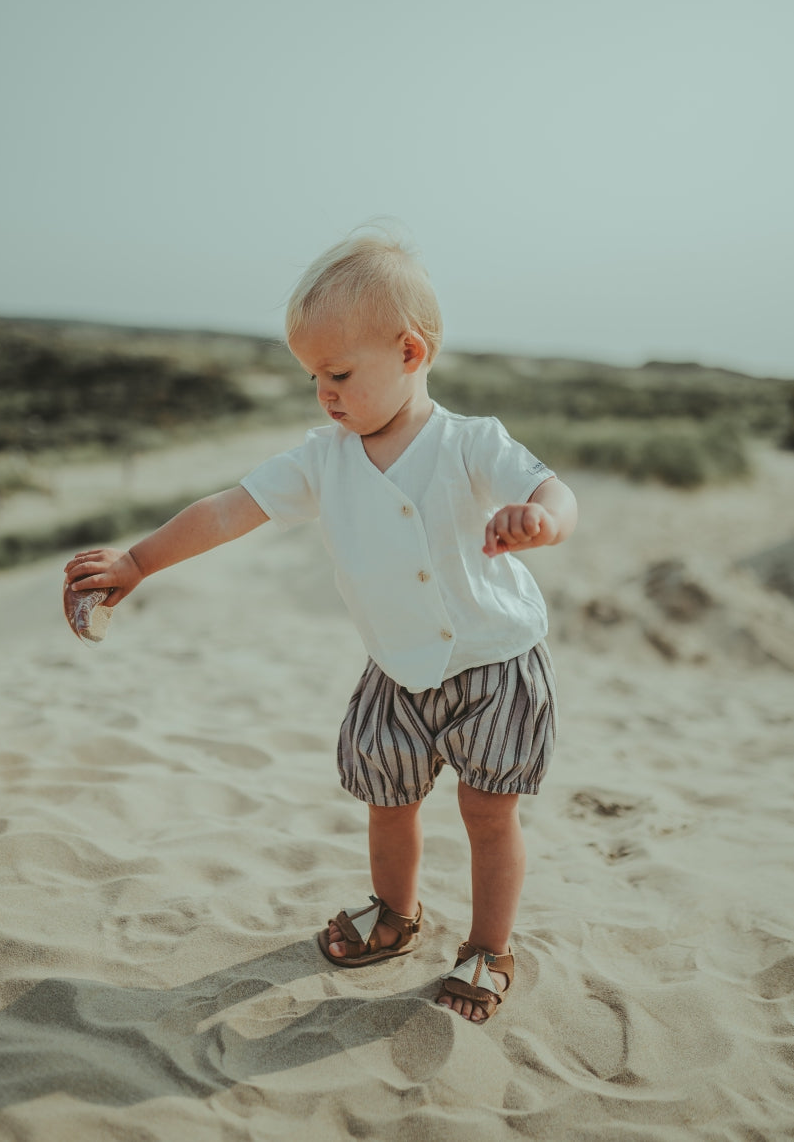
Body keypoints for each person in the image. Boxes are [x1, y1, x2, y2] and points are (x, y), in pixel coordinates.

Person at [64, 231, 577, 1023]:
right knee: (387, 797)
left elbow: (554, 491)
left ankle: (486, 946)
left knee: (486, 810)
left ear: (410, 351)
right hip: (396, 667)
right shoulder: (322, 457)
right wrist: (138, 561)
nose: (324, 394)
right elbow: (227, 511)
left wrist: (539, 521)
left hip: (494, 659)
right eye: (313, 378)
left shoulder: (471, 442)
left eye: (339, 374)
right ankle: (395, 913)